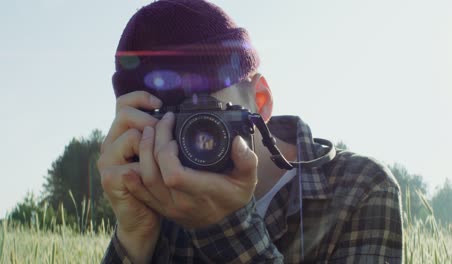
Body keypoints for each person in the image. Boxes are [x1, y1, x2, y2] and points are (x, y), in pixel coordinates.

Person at [97, 0, 403, 263]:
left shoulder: (359, 189)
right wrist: (134, 236)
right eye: (162, 119)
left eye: (203, 114)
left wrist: (224, 227)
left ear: (261, 101)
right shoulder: (155, 207)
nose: (183, 141)